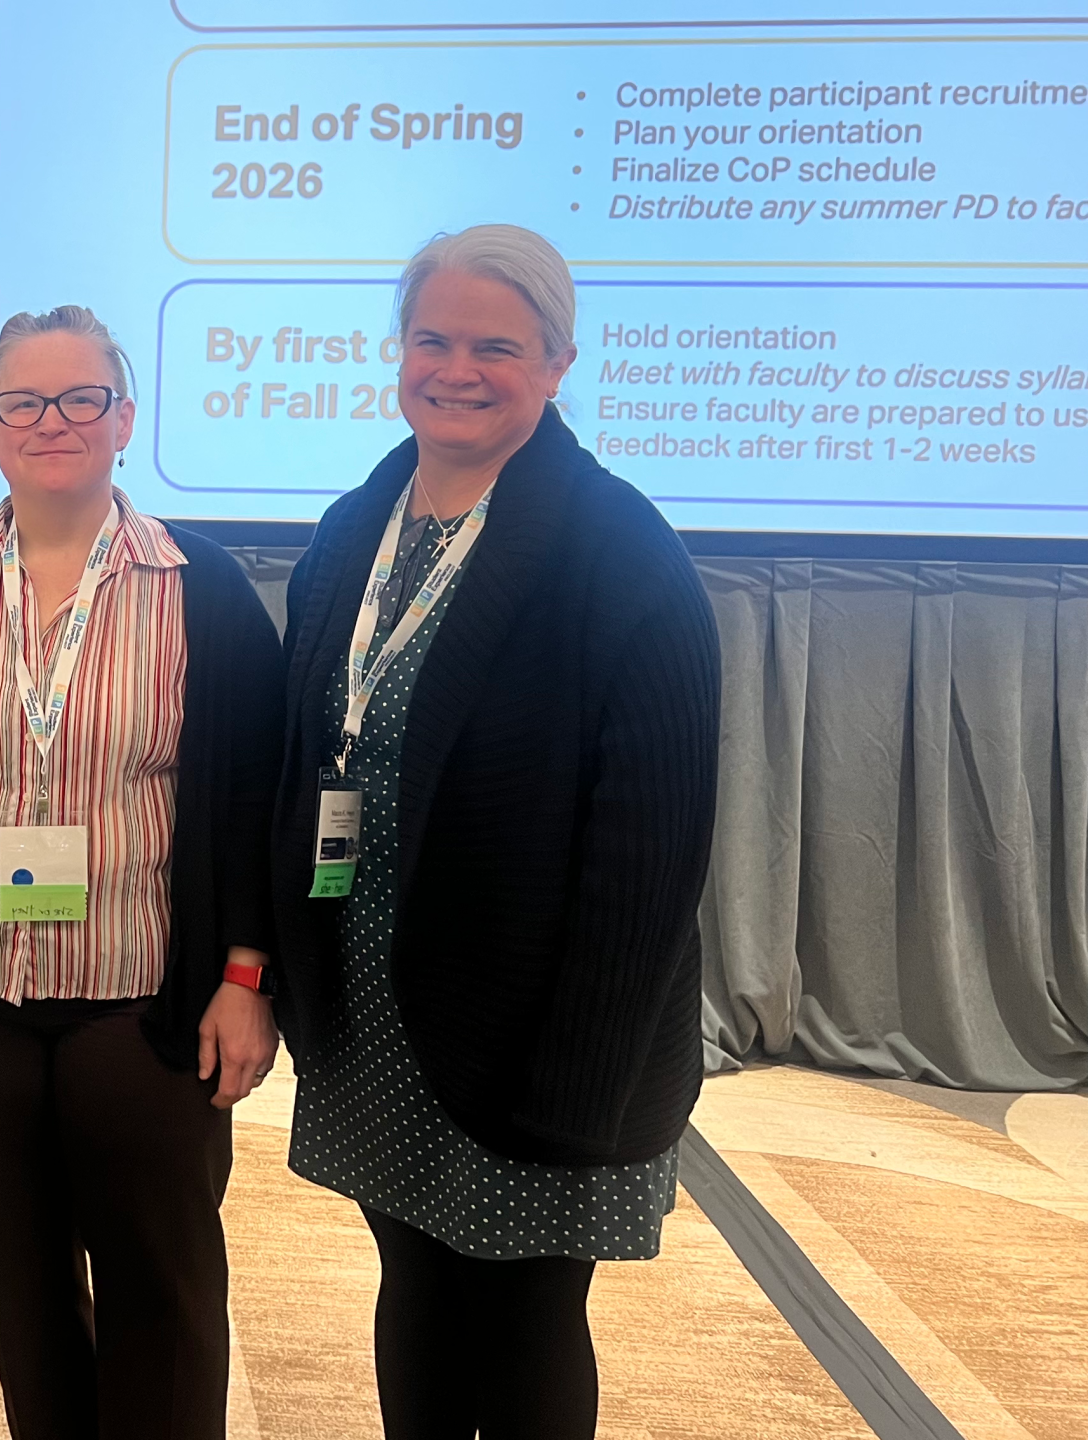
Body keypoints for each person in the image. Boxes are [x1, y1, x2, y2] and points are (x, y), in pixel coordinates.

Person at [270, 224, 719, 1440]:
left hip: (538, 1047)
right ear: (398, 350)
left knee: (520, 1319)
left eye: (496, 346)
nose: (456, 368)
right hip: (377, 1016)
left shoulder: (621, 554)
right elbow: (312, 763)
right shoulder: (355, 526)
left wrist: (578, 1089)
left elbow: (650, 860)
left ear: (559, 363)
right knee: (412, 1283)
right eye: (433, 338)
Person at [0, 305, 285, 1440]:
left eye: (82, 398)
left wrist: (245, 979)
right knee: (13, 1279)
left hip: (142, 1000)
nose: (54, 421)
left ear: (125, 417)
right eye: (24, 402)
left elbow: (253, 805)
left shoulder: (203, 589)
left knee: (158, 1286)